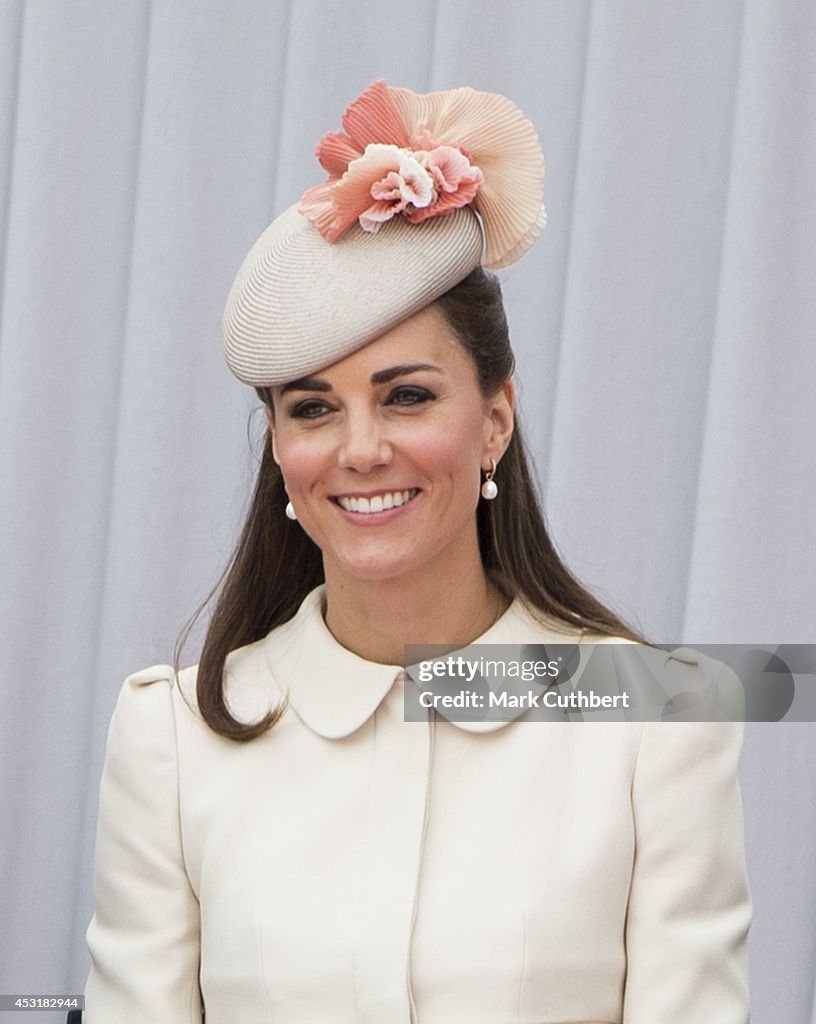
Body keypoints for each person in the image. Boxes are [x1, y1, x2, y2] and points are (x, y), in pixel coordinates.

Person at [83, 80, 751, 1023]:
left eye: (406, 396)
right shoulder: (172, 737)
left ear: (495, 422)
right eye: (313, 408)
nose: (360, 451)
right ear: (279, 448)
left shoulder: (659, 722)